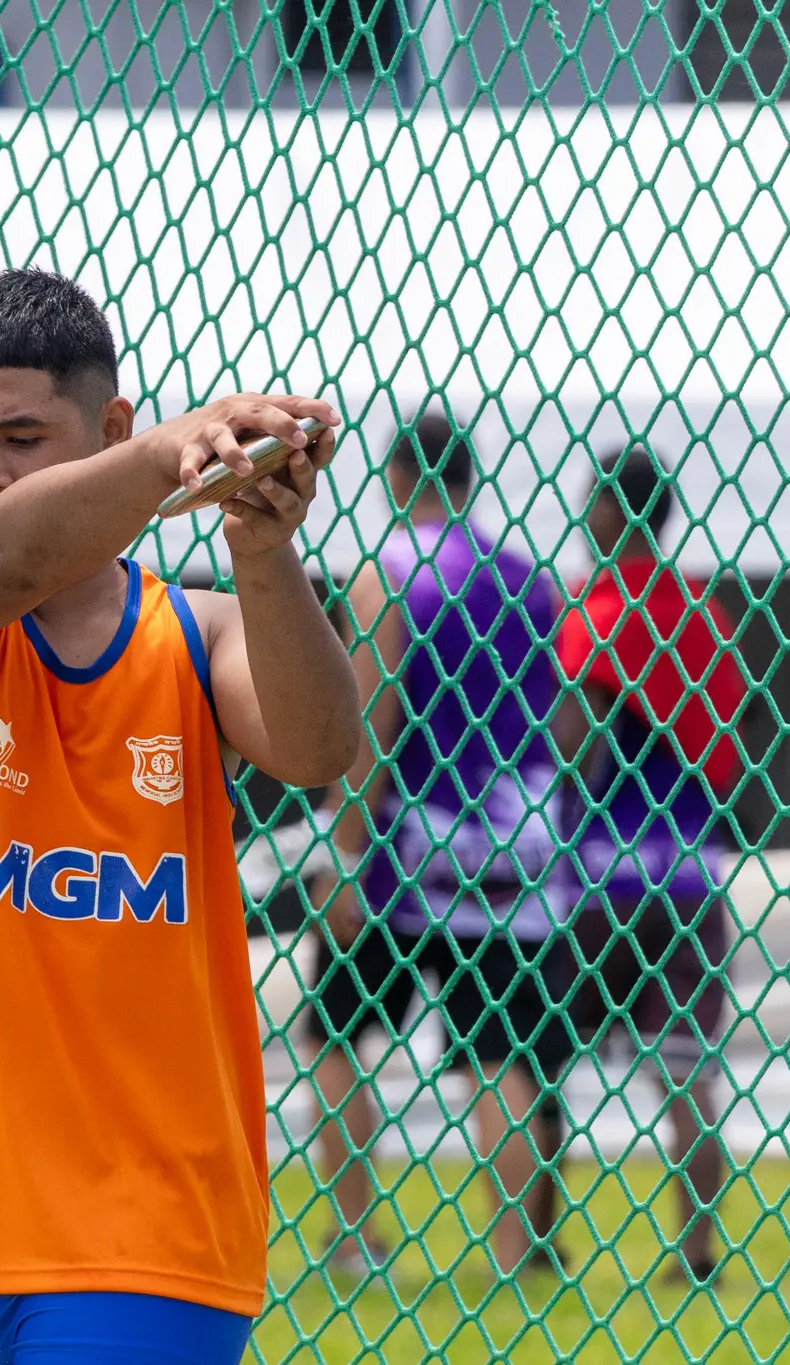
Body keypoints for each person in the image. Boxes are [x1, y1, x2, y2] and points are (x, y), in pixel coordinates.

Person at [0, 269, 360, 1364]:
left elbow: (319, 751)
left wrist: (262, 552)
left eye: (21, 437)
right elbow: (9, 554)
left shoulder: (199, 635)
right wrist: (178, 452)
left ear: (106, 423)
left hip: (148, 1235)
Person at [301, 411, 573, 1281]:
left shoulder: (388, 575)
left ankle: (354, 1240)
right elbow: (557, 714)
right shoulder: (536, 581)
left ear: (395, 477)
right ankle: (514, 1252)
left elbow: (368, 722)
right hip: (514, 845)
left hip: (403, 849)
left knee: (339, 1037)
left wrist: (341, 853)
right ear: (468, 479)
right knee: (503, 1057)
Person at [556, 442, 745, 1287]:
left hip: (599, 874)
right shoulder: (702, 615)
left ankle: (536, 1240)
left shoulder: (598, 611)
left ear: (608, 510)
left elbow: (580, 744)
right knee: (686, 1072)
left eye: (589, 497)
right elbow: (727, 744)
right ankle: (697, 1250)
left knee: (537, 1056)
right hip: (691, 871)